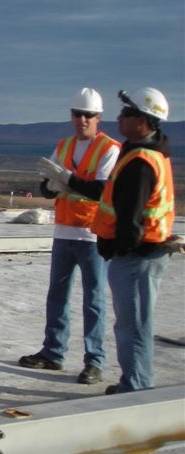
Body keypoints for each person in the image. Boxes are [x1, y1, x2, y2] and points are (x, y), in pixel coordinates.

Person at [20, 89, 120, 385]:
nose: (82, 119)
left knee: (94, 300)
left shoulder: (108, 148)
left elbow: (100, 190)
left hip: (92, 235)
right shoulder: (64, 146)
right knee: (58, 296)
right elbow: (46, 188)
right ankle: (53, 352)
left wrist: (65, 180)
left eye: (88, 115)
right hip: (64, 232)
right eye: (78, 113)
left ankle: (94, 360)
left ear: (98, 117)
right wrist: (56, 185)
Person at [91, 87, 175, 394]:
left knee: (133, 325)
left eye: (126, 113)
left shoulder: (140, 162)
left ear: (143, 120)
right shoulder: (148, 153)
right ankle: (135, 382)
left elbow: (131, 220)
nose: (119, 118)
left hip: (137, 256)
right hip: (143, 254)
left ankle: (136, 387)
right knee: (132, 323)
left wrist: (116, 247)